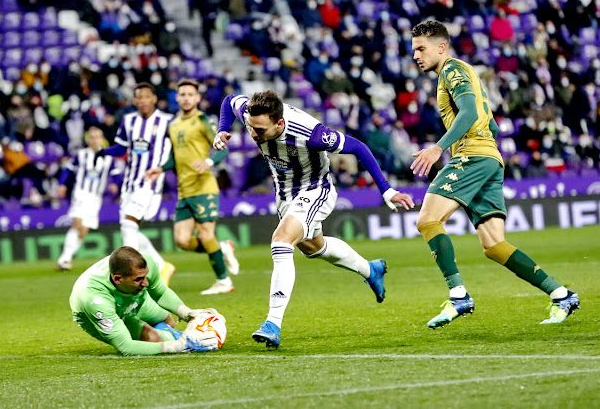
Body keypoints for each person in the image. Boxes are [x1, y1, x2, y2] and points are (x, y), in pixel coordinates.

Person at [409, 20, 579, 328]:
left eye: (421, 48)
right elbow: (493, 124)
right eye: (414, 50)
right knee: (494, 245)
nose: (416, 55)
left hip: (472, 156)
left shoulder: (452, 70)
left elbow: (470, 113)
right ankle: (561, 294)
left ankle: (458, 295)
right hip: (489, 158)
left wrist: (439, 148)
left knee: (427, 220)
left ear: (441, 47)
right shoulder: (466, 72)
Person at [214, 90, 414, 348]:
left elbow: (359, 148)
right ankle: (370, 269)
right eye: (251, 128)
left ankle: (273, 322)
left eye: (260, 130)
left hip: (315, 189)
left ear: (280, 123)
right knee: (314, 247)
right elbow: (229, 100)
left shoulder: (311, 133)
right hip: (285, 193)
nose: (254, 135)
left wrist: (386, 189)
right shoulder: (252, 114)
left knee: (281, 240)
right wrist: (222, 130)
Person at [145, 79, 239, 294]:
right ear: (177, 98)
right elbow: (173, 156)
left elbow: (222, 149)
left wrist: (208, 162)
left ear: (197, 98)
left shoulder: (203, 120)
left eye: (190, 94)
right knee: (182, 240)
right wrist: (159, 168)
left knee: (206, 235)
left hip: (204, 186)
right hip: (184, 189)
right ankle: (222, 248)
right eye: (183, 94)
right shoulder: (174, 124)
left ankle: (223, 281)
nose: (186, 98)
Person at [69, 246, 220, 355]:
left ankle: (177, 335)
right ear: (118, 279)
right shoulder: (94, 299)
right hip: (108, 311)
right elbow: (126, 347)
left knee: (168, 320)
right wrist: (178, 345)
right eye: (139, 279)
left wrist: (187, 313)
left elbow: (159, 292)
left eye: (145, 276)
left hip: (133, 296)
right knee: (153, 340)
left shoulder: (144, 265)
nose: (146, 283)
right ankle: (183, 339)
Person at [94, 83, 176, 284]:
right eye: (138, 98)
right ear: (135, 101)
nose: (143, 101)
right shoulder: (129, 121)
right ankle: (162, 265)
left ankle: (132, 272)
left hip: (150, 183)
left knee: (129, 224)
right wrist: (103, 151)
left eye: (147, 97)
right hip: (130, 183)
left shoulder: (168, 121)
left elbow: (177, 150)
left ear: (154, 99)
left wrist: (165, 169)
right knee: (129, 227)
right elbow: (121, 148)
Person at [56, 127, 115, 270]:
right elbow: (67, 169)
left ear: (102, 139)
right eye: (92, 137)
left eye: (97, 137)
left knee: (84, 230)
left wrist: (114, 184)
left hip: (96, 197)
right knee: (78, 222)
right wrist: (62, 185)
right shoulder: (80, 155)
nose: (95, 140)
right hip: (81, 193)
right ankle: (64, 260)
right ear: (88, 140)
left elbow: (115, 174)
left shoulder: (108, 157)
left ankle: (65, 258)